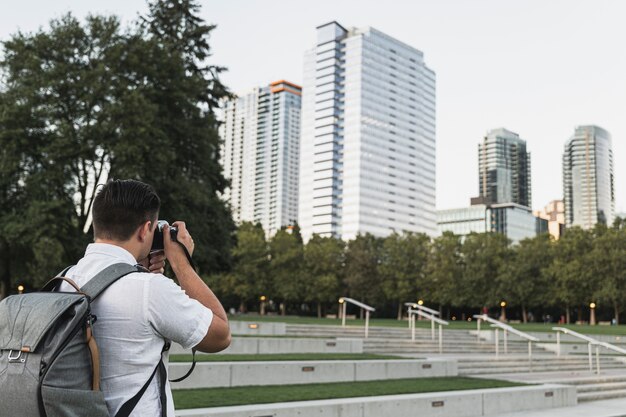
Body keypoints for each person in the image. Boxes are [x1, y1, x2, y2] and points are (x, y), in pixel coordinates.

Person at [59, 179, 231, 416]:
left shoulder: (62, 281)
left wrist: (138, 269)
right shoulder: (150, 290)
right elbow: (220, 336)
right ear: (144, 230)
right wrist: (181, 262)